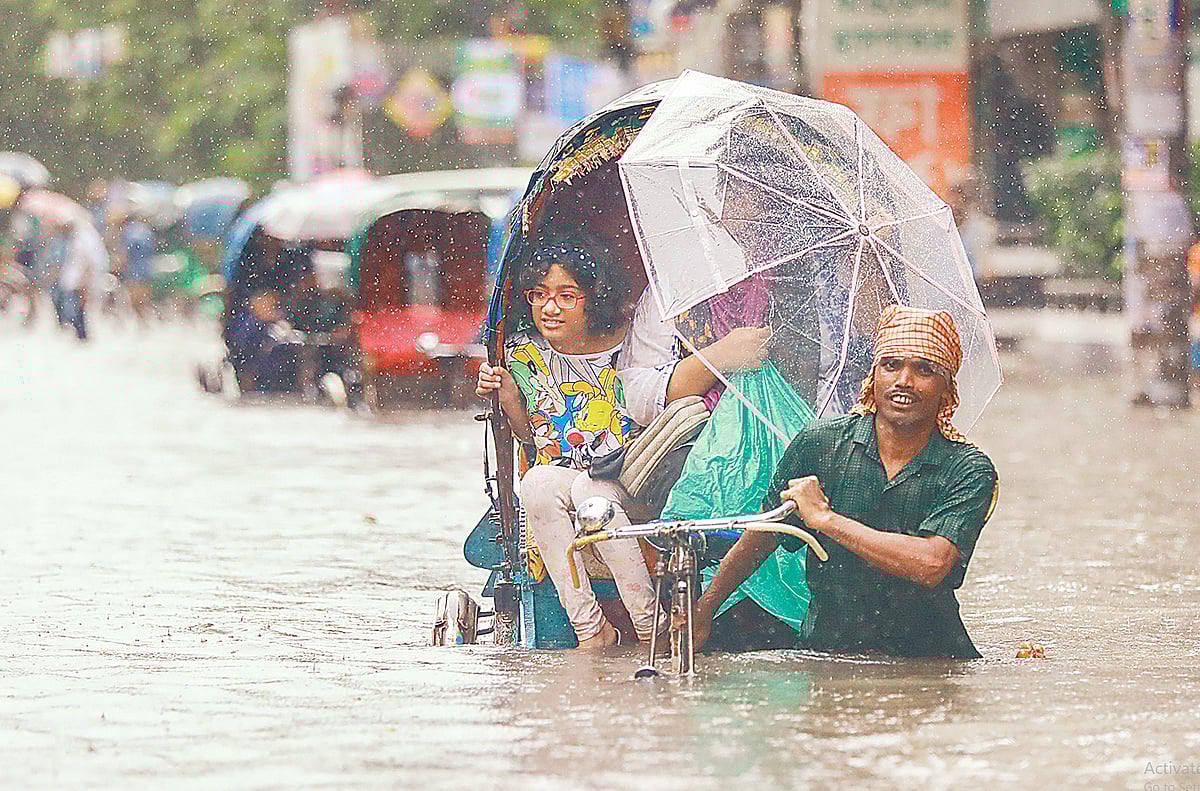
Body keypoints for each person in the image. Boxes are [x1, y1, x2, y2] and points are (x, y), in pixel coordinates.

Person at [692, 305, 998, 658]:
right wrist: (705, 607)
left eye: (924, 370)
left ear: (947, 388)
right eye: (891, 365)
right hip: (828, 654)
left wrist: (827, 521)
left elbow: (930, 565)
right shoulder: (820, 445)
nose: (904, 381)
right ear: (874, 374)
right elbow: (765, 534)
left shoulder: (968, 469)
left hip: (929, 661)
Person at [475, 238, 663, 649]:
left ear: (592, 298)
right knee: (538, 483)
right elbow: (532, 438)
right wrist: (507, 396)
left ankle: (652, 626)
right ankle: (592, 631)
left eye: (566, 296)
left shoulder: (632, 342)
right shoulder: (524, 355)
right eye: (539, 295)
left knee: (588, 492)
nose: (550, 308)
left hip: (631, 476)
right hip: (569, 475)